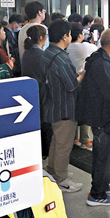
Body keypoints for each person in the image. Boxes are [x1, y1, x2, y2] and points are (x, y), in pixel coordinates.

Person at [76, 28, 110, 207]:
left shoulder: (98, 58)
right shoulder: (103, 64)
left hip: (99, 114)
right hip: (104, 117)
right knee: (105, 156)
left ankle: (102, 184)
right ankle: (97, 194)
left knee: (103, 155)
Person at [40, 19, 84, 193]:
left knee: (56, 142)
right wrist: (82, 74)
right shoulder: (61, 58)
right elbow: (72, 84)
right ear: (65, 36)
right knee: (64, 145)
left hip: (52, 104)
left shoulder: (47, 53)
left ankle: (52, 170)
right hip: (64, 107)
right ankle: (62, 179)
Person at [21, 25, 53, 159]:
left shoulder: (26, 52)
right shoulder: (42, 55)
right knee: (45, 123)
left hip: (30, 92)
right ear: (41, 37)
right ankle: (46, 152)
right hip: (43, 92)